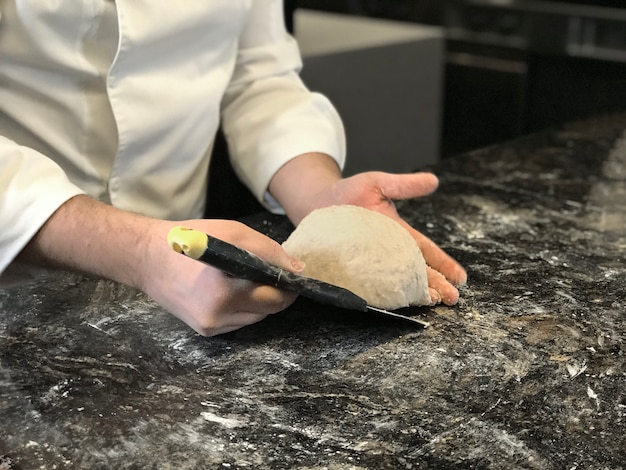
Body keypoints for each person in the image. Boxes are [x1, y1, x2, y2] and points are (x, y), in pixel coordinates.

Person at [0, 1, 466, 336]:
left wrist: (318, 194)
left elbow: (256, 75)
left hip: (199, 276)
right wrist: (138, 250)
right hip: (16, 275)